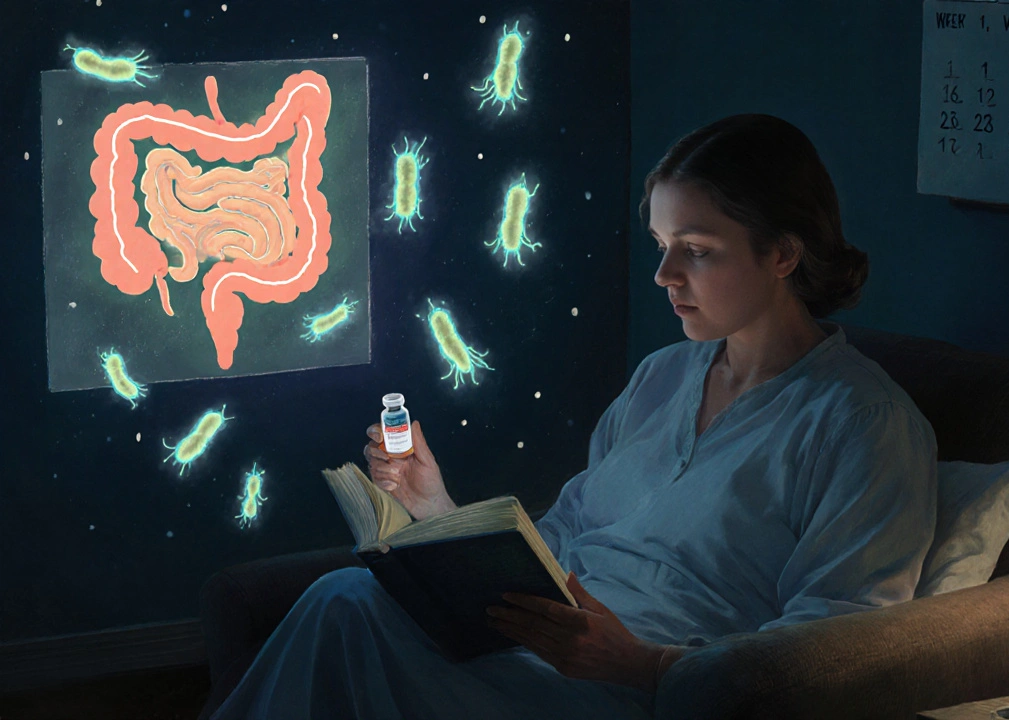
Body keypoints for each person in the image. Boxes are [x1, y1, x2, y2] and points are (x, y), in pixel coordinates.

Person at [208, 113, 937, 720]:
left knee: (348, 615)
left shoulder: (860, 423)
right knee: (349, 598)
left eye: (697, 251)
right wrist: (437, 513)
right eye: (660, 246)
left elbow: (840, 649)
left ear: (782, 253)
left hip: (638, 685)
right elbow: (561, 537)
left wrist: (647, 667)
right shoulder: (664, 377)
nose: (663, 276)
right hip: (540, 647)